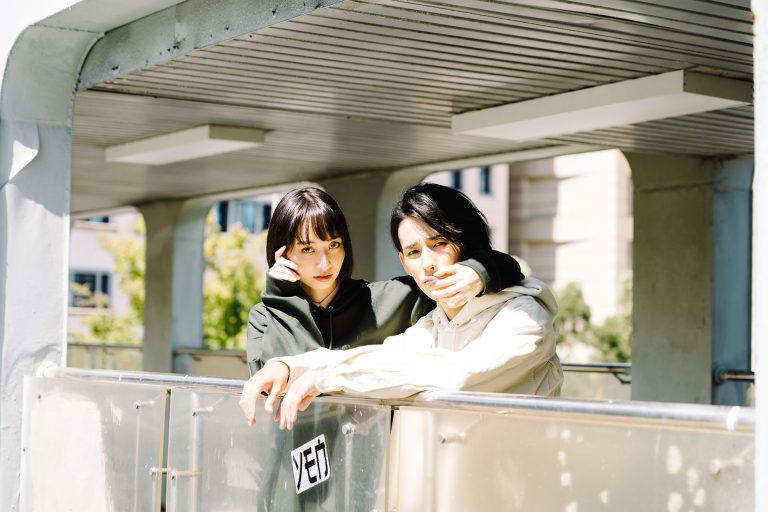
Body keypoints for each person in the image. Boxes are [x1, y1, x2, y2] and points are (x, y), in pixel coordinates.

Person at [240, 184, 562, 430]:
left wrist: (481, 270)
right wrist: (289, 366)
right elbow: (381, 357)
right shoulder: (431, 327)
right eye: (414, 252)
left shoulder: (523, 316)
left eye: (439, 243)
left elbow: (458, 376)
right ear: (404, 261)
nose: (429, 264)